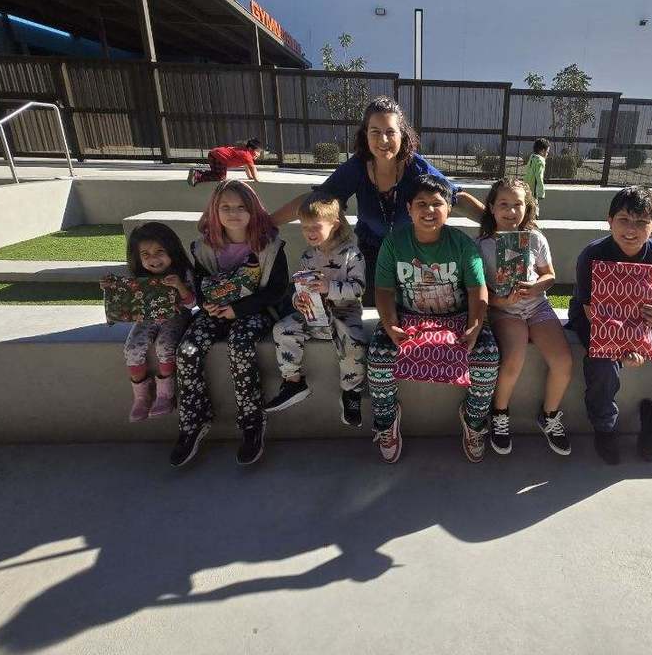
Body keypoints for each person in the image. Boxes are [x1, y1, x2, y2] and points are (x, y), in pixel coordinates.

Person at [271, 97, 485, 305]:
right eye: (375, 132)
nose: (383, 140)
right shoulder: (356, 168)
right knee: (374, 303)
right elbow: (316, 200)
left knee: (412, 303)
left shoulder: (417, 168)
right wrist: (267, 223)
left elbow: (455, 198)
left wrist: (498, 224)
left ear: (403, 135)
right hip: (371, 250)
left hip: (411, 249)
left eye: (390, 132)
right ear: (365, 135)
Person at [567, 185, 652, 465]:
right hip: (596, 319)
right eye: (624, 220)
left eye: (641, 222)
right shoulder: (592, 254)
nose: (631, 230)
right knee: (603, 364)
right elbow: (591, 310)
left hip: (643, 321)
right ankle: (604, 428)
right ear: (609, 221)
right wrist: (625, 345)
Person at [367, 174, 499, 464]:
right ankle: (387, 421)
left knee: (487, 357)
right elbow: (384, 290)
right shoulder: (394, 243)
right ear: (409, 209)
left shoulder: (463, 245)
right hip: (409, 319)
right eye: (421, 204)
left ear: (449, 208)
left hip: (457, 319)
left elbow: (478, 291)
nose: (429, 210)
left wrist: (475, 326)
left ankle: (474, 421)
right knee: (378, 357)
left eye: (437, 204)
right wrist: (390, 325)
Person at [170, 180, 291, 468]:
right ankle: (193, 421)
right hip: (214, 314)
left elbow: (276, 289)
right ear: (215, 210)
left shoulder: (269, 245)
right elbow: (200, 284)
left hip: (254, 312)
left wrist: (239, 310)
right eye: (225, 207)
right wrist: (207, 303)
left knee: (240, 345)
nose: (233, 213)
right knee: (187, 350)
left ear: (253, 211)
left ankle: (252, 422)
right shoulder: (204, 247)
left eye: (240, 207)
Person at [477, 178, 572, 455]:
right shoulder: (481, 246)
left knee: (563, 360)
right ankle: (499, 413)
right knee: (513, 359)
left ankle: (550, 415)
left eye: (518, 204)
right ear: (492, 208)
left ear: (527, 207)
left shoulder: (535, 238)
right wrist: (501, 299)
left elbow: (549, 275)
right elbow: (477, 291)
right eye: (504, 204)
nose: (511, 211)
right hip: (504, 311)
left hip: (537, 307)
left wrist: (536, 287)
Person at [266, 192, 367, 427]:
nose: (310, 232)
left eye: (316, 226)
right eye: (305, 227)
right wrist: (298, 301)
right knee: (283, 328)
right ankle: (293, 382)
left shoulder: (352, 254)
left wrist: (328, 287)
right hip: (314, 314)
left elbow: (358, 288)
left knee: (354, 341)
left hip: (345, 312)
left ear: (335, 225)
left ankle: (351, 393)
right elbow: (301, 287)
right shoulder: (308, 256)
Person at [107, 222, 196, 422]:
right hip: (148, 319)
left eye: (159, 251)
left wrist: (179, 285)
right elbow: (126, 301)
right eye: (145, 254)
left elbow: (192, 304)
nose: (153, 259)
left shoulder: (183, 273)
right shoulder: (139, 277)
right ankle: (141, 397)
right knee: (132, 348)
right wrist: (111, 286)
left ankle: (165, 394)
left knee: (165, 346)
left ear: (171, 250)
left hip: (176, 317)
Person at [187, 137, 263, 186]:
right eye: (257, 152)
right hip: (219, 158)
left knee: (216, 173)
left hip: (214, 154)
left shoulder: (245, 153)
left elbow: (247, 166)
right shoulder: (247, 155)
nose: (258, 154)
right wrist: (257, 180)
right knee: (221, 177)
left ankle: (197, 174)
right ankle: (197, 175)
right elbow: (252, 168)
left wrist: (250, 177)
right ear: (250, 149)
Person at [522, 137, 549, 205]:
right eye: (547, 152)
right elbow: (539, 177)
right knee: (534, 211)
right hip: (533, 192)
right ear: (542, 151)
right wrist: (541, 193)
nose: (547, 154)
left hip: (526, 188)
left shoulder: (532, 158)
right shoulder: (540, 161)